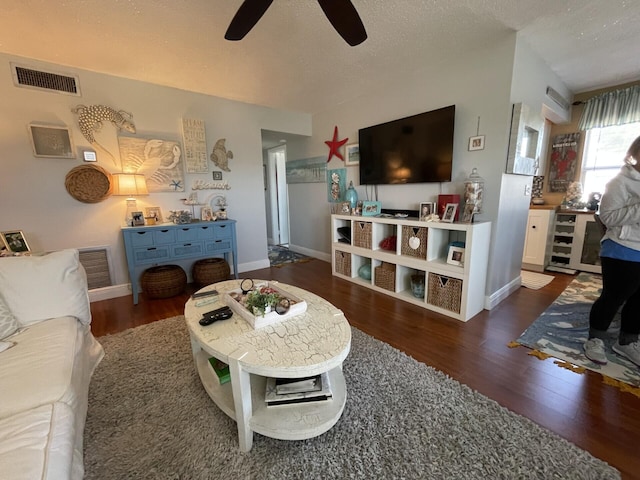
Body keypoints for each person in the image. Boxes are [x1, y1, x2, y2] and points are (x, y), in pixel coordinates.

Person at [583, 135, 640, 368]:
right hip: (621, 248)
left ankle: (627, 341)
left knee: (639, 300)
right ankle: (595, 339)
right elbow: (608, 217)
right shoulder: (619, 182)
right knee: (613, 297)